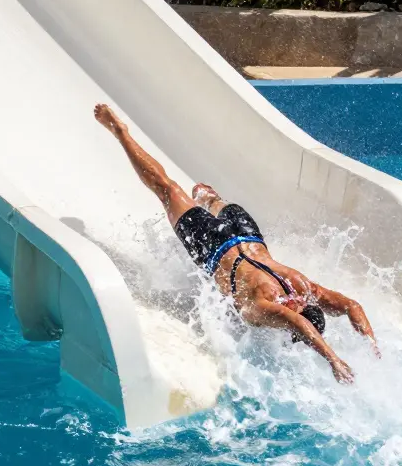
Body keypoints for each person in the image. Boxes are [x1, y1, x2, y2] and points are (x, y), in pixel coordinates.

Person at [93, 104, 378, 383]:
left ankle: (209, 199)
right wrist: (333, 359)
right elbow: (300, 323)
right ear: (298, 308)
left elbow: (352, 306)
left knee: (209, 200)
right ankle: (121, 132)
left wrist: (372, 347)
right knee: (166, 189)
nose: (289, 306)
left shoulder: (306, 289)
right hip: (213, 244)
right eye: (292, 309)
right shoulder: (264, 307)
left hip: (245, 231)